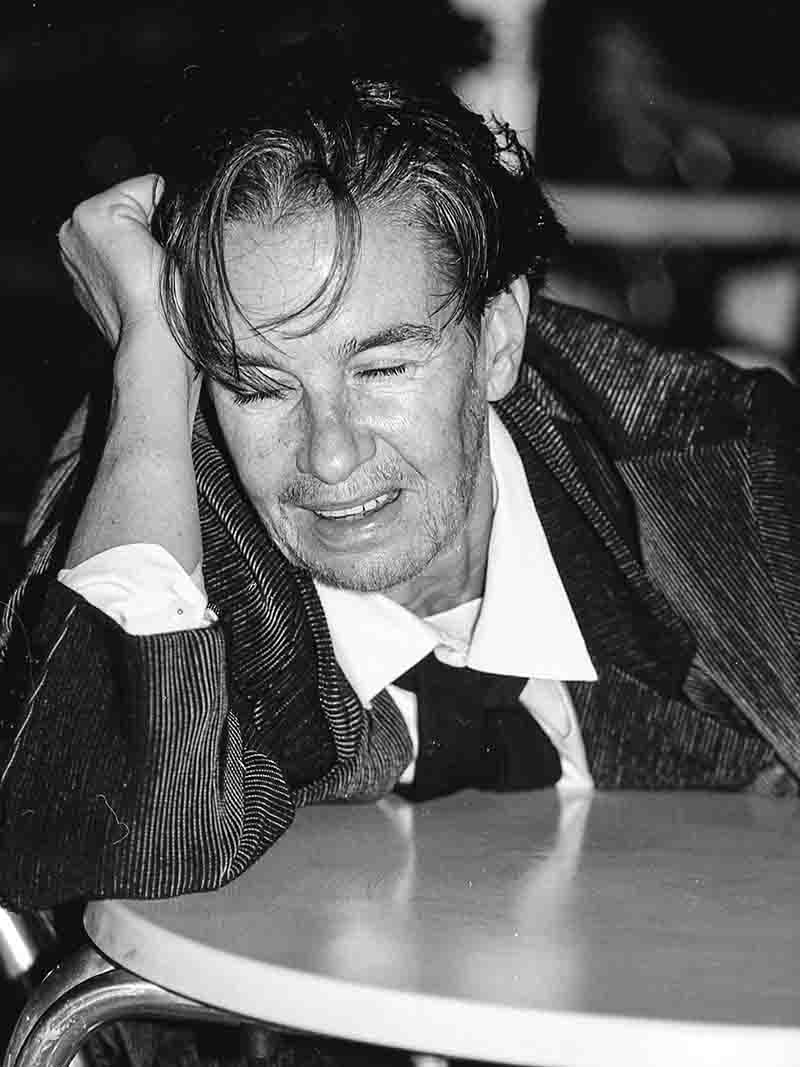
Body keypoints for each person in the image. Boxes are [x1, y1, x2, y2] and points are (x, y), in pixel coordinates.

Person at [1, 33, 799, 1008]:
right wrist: (150, 354)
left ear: (496, 338)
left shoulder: (718, 478)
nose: (329, 455)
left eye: (380, 368)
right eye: (258, 385)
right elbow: (76, 834)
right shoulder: (152, 485)